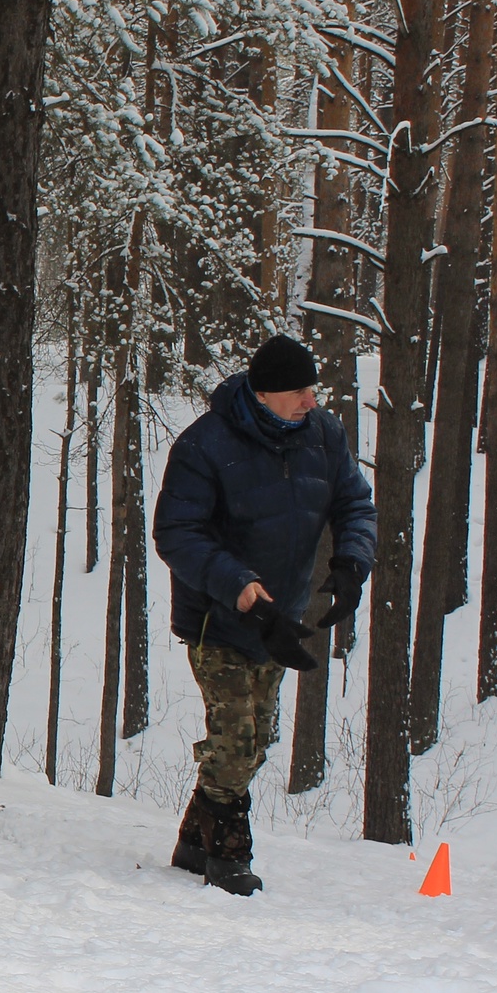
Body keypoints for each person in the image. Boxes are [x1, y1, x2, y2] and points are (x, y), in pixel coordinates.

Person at [152, 332, 374, 895]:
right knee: (236, 737)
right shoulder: (205, 445)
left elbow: (354, 501)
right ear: (266, 393)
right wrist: (247, 591)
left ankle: (193, 840)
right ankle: (228, 852)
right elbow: (176, 534)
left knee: (262, 735)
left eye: (312, 389)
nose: (311, 401)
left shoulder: (323, 436)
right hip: (219, 616)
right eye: (300, 391)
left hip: (284, 616)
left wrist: (352, 561)